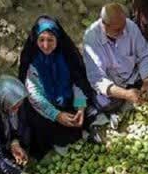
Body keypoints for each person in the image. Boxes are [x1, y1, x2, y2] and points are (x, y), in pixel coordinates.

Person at [18, 16, 98, 157]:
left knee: (86, 111)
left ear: (57, 39)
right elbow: (34, 95)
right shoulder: (32, 61)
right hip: (44, 107)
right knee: (37, 123)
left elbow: (78, 83)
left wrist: (80, 106)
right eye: (41, 40)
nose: (46, 45)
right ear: (36, 39)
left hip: (67, 100)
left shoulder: (67, 56)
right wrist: (57, 115)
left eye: (50, 40)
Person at [83, 3, 148, 117]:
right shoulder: (91, 38)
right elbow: (97, 79)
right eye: (117, 30)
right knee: (105, 104)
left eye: (123, 27)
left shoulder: (130, 26)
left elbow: (145, 55)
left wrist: (146, 82)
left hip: (133, 75)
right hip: (114, 84)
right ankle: (129, 95)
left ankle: (136, 91)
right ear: (104, 25)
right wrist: (125, 94)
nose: (123, 32)